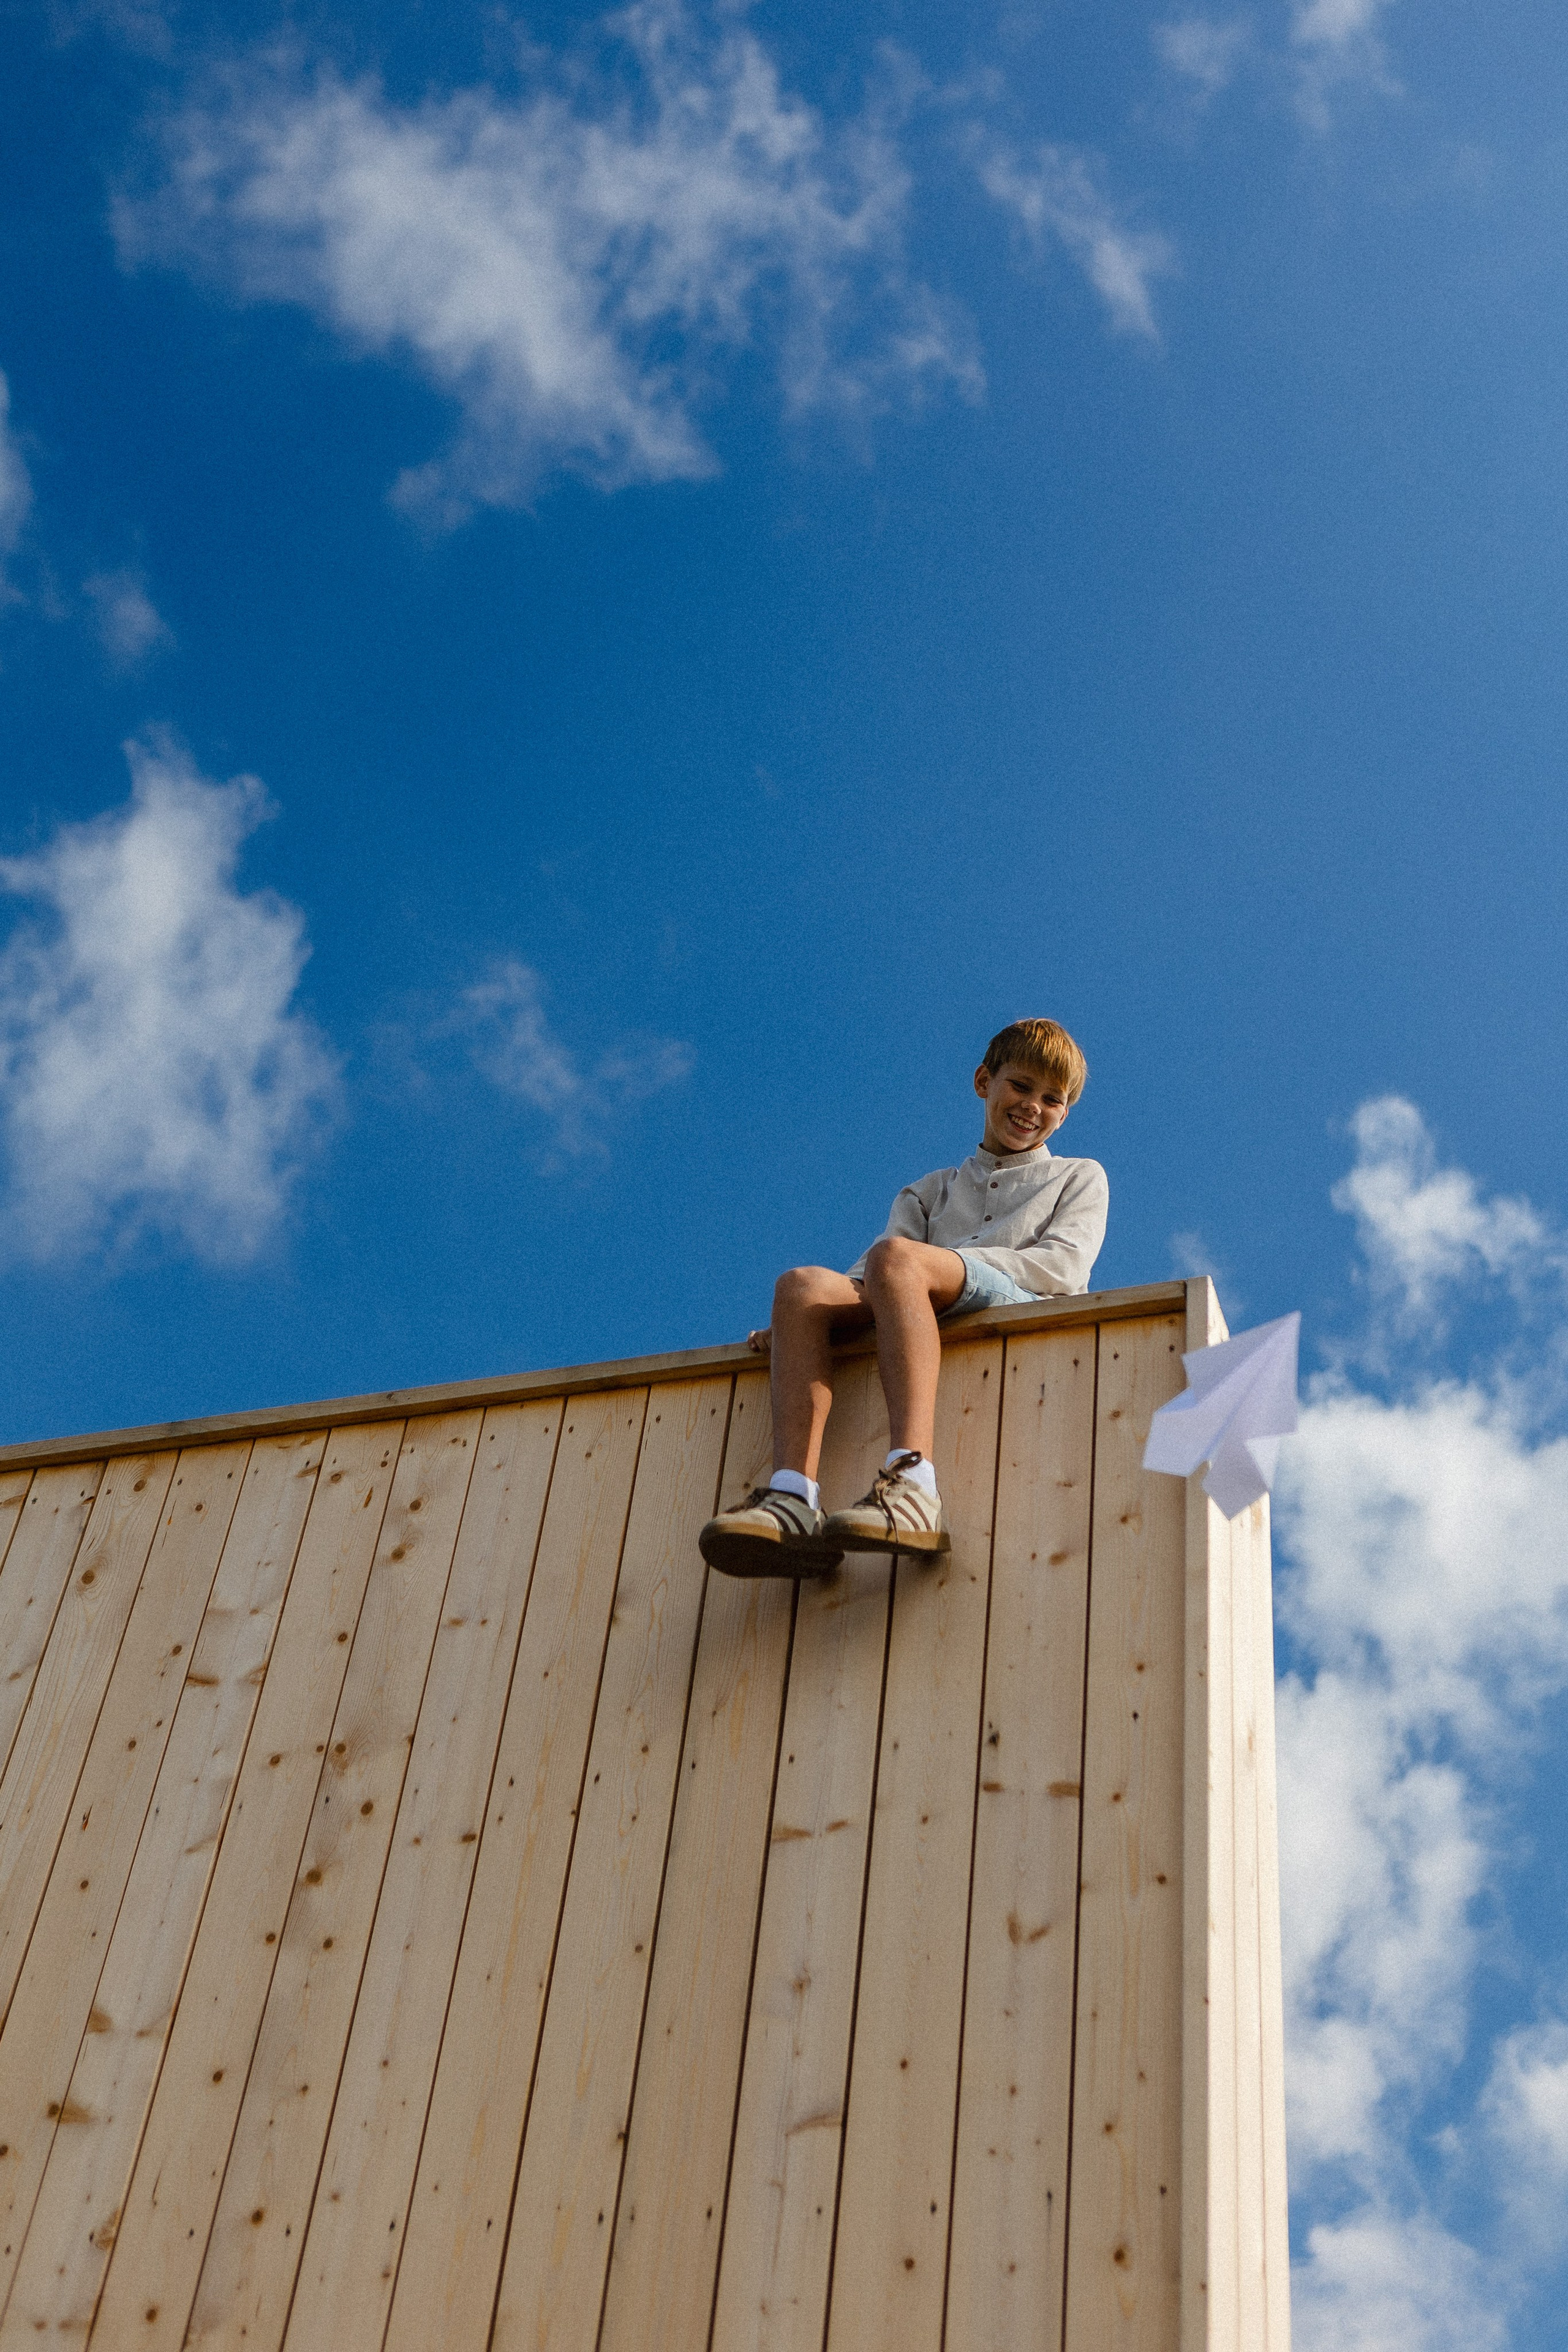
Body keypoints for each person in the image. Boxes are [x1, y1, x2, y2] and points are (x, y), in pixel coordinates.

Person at [698, 1018, 1108, 1578]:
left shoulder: (1079, 1175)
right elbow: (869, 1275)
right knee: (800, 1287)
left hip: (1020, 1300)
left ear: (1065, 1114)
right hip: (916, 1288)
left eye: (1053, 1099)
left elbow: (1063, 1267)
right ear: (983, 1081)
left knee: (899, 1258)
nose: (1033, 1106)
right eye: (1020, 1085)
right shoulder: (929, 1190)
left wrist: (940, 1267)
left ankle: (914, 1484)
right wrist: (800, 1321)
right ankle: (792, 1497)